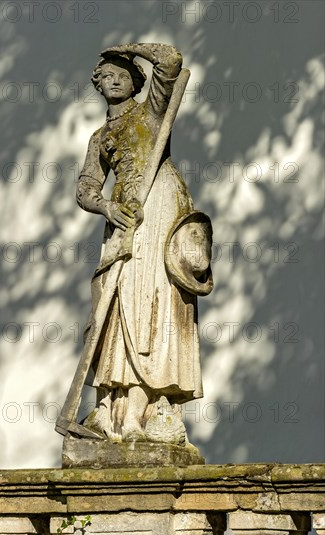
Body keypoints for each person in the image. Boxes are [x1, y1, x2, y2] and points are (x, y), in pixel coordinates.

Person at [76, 43, 212, 442]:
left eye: (122, 74)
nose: (113, 79)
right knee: (116, 304)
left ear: (136, 82)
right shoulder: (100, 137)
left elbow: (170, 62)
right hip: (124, 219)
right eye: (105, 75)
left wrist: (129, 49)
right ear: (97, 85)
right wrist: (105, 207)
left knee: (153, 302)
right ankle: (110, 408)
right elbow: (85, 187)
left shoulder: (150, 112)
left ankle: (147, 405)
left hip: (160, 208)